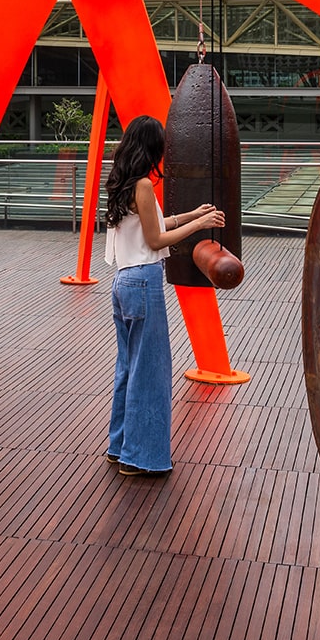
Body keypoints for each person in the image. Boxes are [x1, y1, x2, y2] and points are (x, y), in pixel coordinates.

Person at [103, 115, 225, 476]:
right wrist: (199, 226)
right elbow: (156, 241)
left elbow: (153, 226)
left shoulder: (124, 184)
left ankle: (120, 446)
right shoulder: (142, 185)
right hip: (143, 282)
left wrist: (191, 214)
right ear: (151, 147)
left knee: (129, 368)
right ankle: (141, 457)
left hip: (123, 282)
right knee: (151, 372)